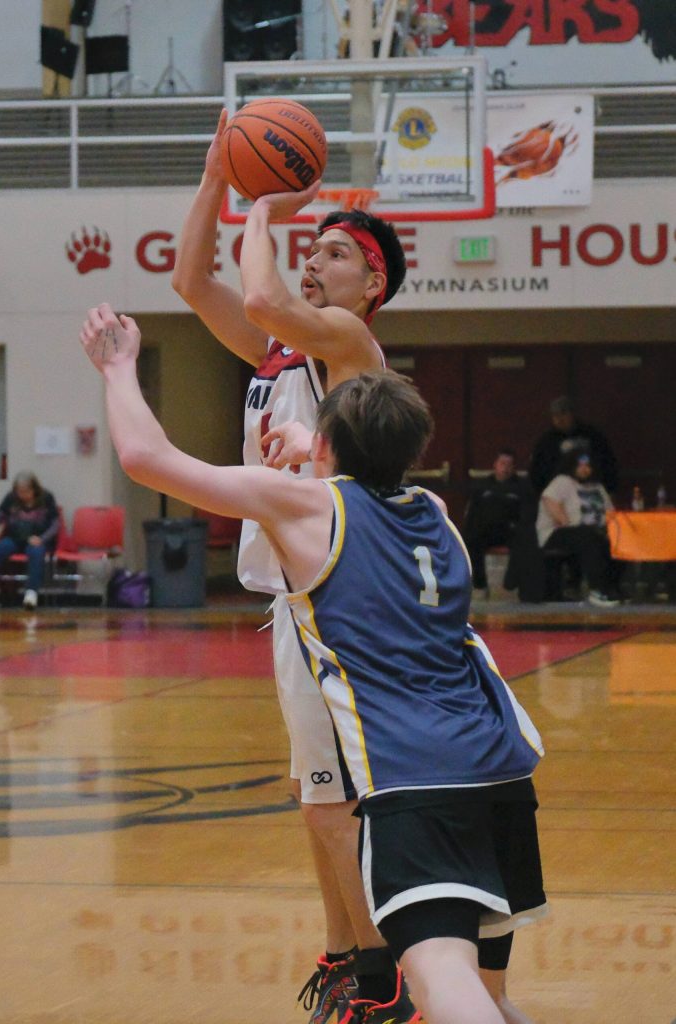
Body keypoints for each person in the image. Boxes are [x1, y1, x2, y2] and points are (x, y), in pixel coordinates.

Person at [80, 304, 547, 1024]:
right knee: (490, 995)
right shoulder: (435, 512)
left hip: (417, 774)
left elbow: (148, 459)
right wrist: (317, 441)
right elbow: (366, 469)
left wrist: (118, 369)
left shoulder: (304, 507)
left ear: (327, 446)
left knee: (439, 977)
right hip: (502, 766)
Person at [172, 111, 412, 1019]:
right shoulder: (280, 352)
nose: (314, 260)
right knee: (315, 799)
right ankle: (350, 953)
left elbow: (268, 299)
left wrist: (265, 204)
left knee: (331, 801)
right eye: (311, 247)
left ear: (373, 282)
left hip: (343, 599)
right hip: (293, 598)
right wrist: (212, 180)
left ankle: (383, 977)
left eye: (336, 254)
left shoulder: (352, 350)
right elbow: (193, 281)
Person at [535, 450, 620, 607]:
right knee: (587, 536)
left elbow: (610, 513)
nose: (584, 469)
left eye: (587, 466)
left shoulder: (597, 486)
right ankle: (596, 590)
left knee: (617, 540)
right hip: (557, 532)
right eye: (580, 465)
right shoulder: (562, 481)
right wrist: (566, 521)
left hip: (592, 532)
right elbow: (549, 500)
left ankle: (614, 588)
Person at [0, 471, 59, 610]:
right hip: (15, 538)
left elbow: (55, 524)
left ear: (34, 489)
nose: (22, 495)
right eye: (20, 492)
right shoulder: (10, 498)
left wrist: (42, 539)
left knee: (36, 553)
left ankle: (31, 594)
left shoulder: (47, 498)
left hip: (37, 540)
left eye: (26, 492)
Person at [462, 450, 532, 597]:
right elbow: (473, 514)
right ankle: (479, 585)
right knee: (471, 539)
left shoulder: (523, 487)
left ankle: (510, 584)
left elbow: (527, 514)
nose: (505, 468)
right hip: (486, 530)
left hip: (510, 530)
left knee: (524, 540)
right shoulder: (482, 487)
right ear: (495, 465)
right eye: (502, 463)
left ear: (514, 467)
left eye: (509, 465)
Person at [529, 395, 618, 496]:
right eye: (555, 415)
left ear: (572, 414)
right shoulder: (546, 441)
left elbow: (607, 462)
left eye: (563, 414)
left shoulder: (592, 435)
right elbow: (536, 470)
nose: (559, 419)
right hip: (558, 494)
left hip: (590, 490)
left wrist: (610, 488)